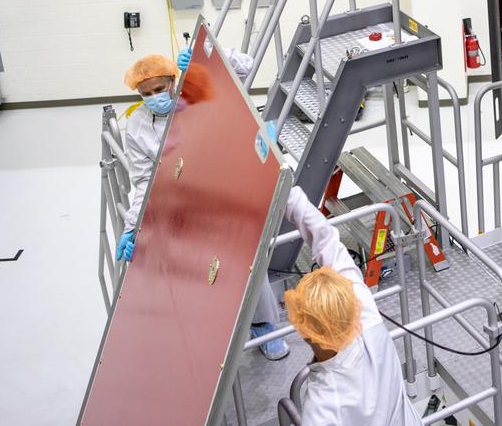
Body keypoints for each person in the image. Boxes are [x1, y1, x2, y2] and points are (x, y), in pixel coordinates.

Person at [115, 46, 288, 360]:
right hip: (182, 203)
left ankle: (264, 325)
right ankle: (213, 327)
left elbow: (246, 69)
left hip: (221, 187)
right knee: (195, 267)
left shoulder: (195, 91)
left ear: (173, 80)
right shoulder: (138, 125)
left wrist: (210, 58)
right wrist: (132, 228)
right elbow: (143, 182)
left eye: (159, 88)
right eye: (146, 93)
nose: (155, 96)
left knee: (245, 254)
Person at [283, 186, 423, 426]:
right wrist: (288, 194)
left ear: (305, 331)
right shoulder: (366, 314)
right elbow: (327, 242)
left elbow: (325, 241)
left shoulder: (323, 407)